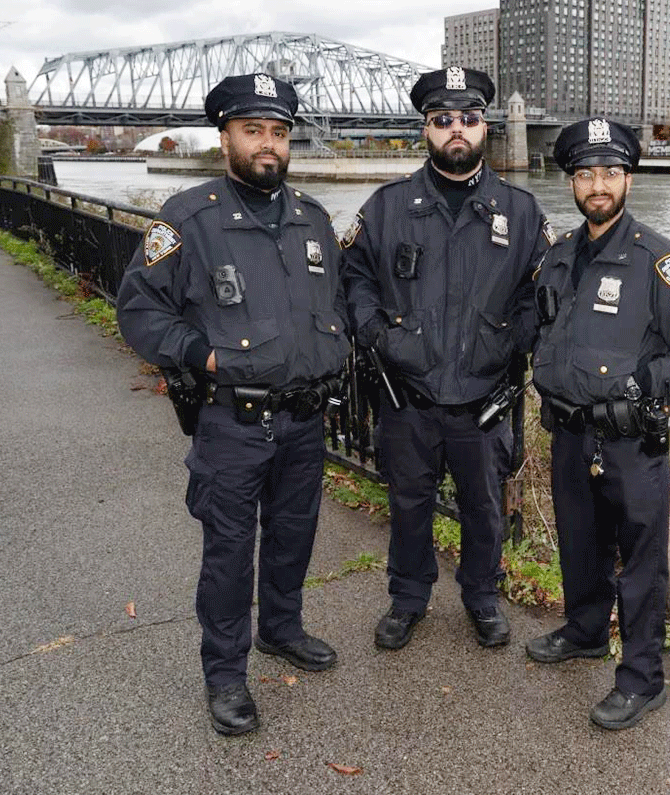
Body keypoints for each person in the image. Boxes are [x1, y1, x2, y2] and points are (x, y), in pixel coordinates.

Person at [116, 73, 350, 736]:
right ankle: (225, 676)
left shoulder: (314, 219)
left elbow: (330, 307)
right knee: (228, 550)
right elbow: (138, 308)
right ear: (226, 139)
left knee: (294, 536)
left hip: (305, 419)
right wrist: (204, 355)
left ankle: (281, 629)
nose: (268, 145)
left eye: (278, 132)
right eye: (253, 131)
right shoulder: (187, 218)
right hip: (232, 420)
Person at [524, 118, 670, 730]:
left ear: (628, 179)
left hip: (631, 440)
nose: (598, 184)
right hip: (569, 432)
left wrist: (639, 387)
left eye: (610, 172)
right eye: (585, 174)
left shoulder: (659, 261)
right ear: (572, 183)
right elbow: (542, 332)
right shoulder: (558, 257)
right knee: (580, 543)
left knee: (640, 560)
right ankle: (585, 630)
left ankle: (642, 678)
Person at [342, 67, 553, 651]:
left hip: (484, 399)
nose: (456, 130)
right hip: (407, 395)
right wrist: (377, 334)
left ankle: (482, 598)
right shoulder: (387, 208)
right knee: (409, 505)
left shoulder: (522, 211)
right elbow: (354, 277)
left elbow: (546, 291)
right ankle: (407, 599)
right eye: (442, 121)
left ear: (484, 126)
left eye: (468, 118)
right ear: (426, 129)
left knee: (484, 509)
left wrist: (514, 342)